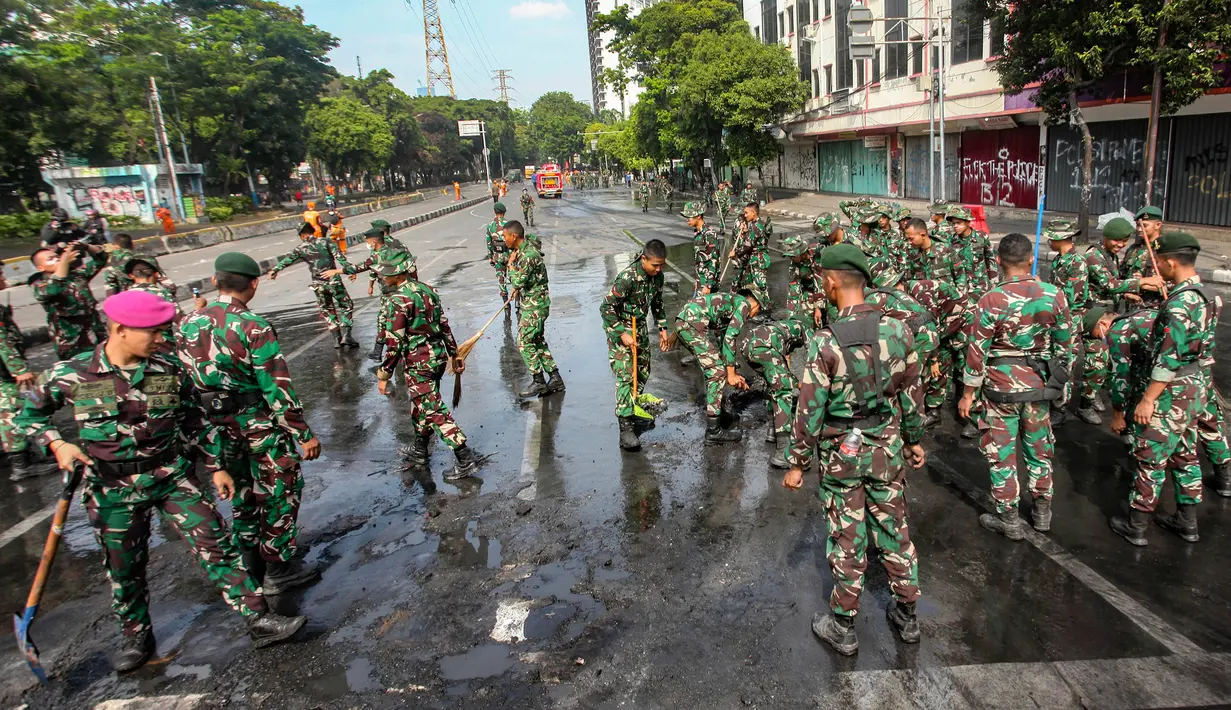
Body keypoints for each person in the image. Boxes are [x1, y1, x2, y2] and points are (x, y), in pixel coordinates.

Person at [18, 290, 307, 672]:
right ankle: (137, 636)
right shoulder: (71, 373)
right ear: (120, 329)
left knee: (215, 545)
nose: (161, 339)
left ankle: (259, 619)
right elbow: (25, 419)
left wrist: (215, 464)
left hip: (171, 477)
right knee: (124, 567)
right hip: (111, 489)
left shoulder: (168, 369)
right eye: (153, 333)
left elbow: (194, 420)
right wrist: (57, 443)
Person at [782, 243, 926, 657]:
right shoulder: (899, 330)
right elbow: (912, 395)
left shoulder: (825, 342)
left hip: (842, 456)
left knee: (848, 536)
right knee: (894, 528)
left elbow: (808, 409)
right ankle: (908, 615)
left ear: (830, 282)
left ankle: (843, 626)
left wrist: (797, 463)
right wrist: (914, 440)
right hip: (887, 450)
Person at [177, 253, 323, 595]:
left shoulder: (187, 323)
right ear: (253, 284)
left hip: (215, 426)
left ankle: (250, 565)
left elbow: (182, 380)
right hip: (256, 424)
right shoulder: (252, 326)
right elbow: (275, 385)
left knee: (241, 494)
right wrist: (302, 433)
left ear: (215, 281)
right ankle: (278, 567)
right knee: (280, 491)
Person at [959, 233, 1072, 539]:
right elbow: (1065, 348)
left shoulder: (991, 299)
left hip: (1001, 389)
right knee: (1039, 450)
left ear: (998, 261)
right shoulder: (1054, 295)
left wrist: (968, 394)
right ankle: (1042, 512)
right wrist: (1063, 389)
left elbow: (976, 351)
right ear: (1031, 259)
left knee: (1002, 454)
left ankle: (1009, 519)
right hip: (1039, 387)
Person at [1109, 233, 1217, 545]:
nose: (1159, 271)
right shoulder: (1206, 295)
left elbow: (1170, 358)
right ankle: (1187, 521)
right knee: (1185, 453)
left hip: (1172, 389)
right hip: (1196, 386)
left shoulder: (1180, 304)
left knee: (1150, 457)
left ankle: (1137, 525)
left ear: (1171, 262)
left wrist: (1148, 399)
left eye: (1161, 264)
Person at [376, 253, 480, 479]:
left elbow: (395, 342)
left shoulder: (399, 299)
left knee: (432, 409)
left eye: (385, 271)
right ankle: (420, 450)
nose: (382, 275)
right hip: (437, 359)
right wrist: (454, 354)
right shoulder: (427, 290)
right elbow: (444, 325)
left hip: (418, 363)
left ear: (398, 272)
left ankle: (465, 457)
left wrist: (384, 374)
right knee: (421, 405)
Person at [600, 240, 671, 452]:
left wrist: (662, 328)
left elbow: (657, 303)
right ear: (644, 259)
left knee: (642, 371)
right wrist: (621, 333)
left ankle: (633, 409)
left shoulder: (658, 277)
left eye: (661, 265)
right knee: (626, 375)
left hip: (638, 327)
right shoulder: (627, 278)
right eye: (654, 265)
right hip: (620, 327)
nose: (658, 269)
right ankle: (625, 429)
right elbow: (606, 308)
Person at [673, 289, 762, 444]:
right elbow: (730, 338)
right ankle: (713, 431)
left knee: (716, 369)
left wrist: (730, 369)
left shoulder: (731, 304)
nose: (755, 315)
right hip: (692, 324)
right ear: (757, 304)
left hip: (686, 322)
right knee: (716, 373)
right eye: (759, 310)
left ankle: (719, 413)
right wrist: (730, 374)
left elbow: (722, 340)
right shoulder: (744, 305)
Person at [322, 227, 416, 362]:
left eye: (367, 241)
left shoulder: (377, 256)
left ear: (373, 242)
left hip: (390, 294)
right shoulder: (396, 252)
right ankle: (387, 352)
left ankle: (384, 354)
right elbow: (412, 267)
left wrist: (336, 271)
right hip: (406, 291)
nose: (367, 243)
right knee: (405, 320)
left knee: (384, 322)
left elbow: (358, 267)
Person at [0, 270, 58, 482]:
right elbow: (1, 341)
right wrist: (17, 369)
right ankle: (20, 463)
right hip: (5, 372)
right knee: (11, 413)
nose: (4, 279)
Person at [269, 223, 358, 348]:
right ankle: (347, 335)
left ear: (302, 235)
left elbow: (288, 260)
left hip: (318, 283)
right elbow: (340, 257)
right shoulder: (326, 242)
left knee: (327, 309)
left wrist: (275, 270)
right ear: (312, 231)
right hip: (333, 280)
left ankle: (336, 338)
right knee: (346, 305)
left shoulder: (301, 248)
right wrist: (350, 270)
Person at [504, 220, 564, 399]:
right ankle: (555, 378)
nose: (504, 240)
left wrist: (511, 266)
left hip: (535, 305)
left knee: (524, 342)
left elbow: (517, 281)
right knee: (537, 341)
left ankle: (538, 381)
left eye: (505, 236)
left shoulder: (528, 255)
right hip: (535, 303)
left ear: (514, 236)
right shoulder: (522, 251)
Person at [747, 311, 814, 467]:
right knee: (783, 393)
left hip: (749, 345)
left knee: (773, 386)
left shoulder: (783, 327)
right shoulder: (805, 327)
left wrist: (793, 380)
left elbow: (785, 360)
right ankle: (783, 452)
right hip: (765, 348)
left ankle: (772, 431)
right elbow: (813, 356)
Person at [29, 242, 109, 359]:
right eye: (50, 259)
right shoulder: (40, 284)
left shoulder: (76, 275)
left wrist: (86, 246)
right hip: (71, 340)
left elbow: (101, 259)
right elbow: (52, 290)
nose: (57, 259)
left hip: (95, 331)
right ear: (41, 268)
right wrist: (64, 263)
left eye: (57, 256)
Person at [729, 202, 772, 313]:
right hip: (754, 259)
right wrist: (745, 232)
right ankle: (757, 307)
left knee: (761, 285)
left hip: (759, 259)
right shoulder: (753, 225)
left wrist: (736, 254)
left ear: (753, 213)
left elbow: (748, 245)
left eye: (747, 213)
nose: (745, 215)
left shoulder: (756, 226)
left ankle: (767, 311)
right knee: (751, 285)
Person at [947, 206, 997, 297]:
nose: (955, 226)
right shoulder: (951, 240)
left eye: (959, 223)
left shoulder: (981, 237)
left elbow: (990, 259)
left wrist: (994, 282)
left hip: (980, 287)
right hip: (960, 288)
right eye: (953, 223)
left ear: (968, 222)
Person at [780, 234, 825, 320]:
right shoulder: (794, 266)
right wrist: (792, 317)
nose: (791, 259)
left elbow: (820, 281)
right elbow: (793, 290)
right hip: (811, 291)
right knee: (809, 316)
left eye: (792, 256)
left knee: (832, 314)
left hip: (829, 287)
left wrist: (818, 307)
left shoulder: (819, 252)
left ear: (800, 251)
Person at [681, 202, 720, 296]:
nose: (687, 220)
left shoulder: (709, 234)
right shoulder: (698, 232)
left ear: (698, 216)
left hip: (707, 282)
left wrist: (709, 285)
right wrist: (698, 281)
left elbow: (714, 260)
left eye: (689, 216)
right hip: (701, 280)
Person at [903, 218, 958, 285]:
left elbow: (960, 276)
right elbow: (909, 279)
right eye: (907, 239)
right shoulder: (912, 254)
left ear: (923, 235)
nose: (909, 242)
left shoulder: (944, 250)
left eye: (911, 239)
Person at [485, 202, 512, 308]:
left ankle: (505, 301)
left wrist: (490, 257)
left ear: (494, 212)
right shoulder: (509, 225)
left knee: (501, 278)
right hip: (509, 256)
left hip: (497, 256)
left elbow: (489, 243)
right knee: (513, 276)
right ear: (504, 212)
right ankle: (518, 299)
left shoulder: (490, 226)